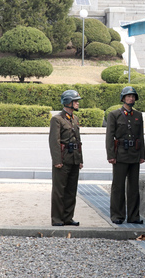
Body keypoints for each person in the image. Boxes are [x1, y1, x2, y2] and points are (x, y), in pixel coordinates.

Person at [105, 86, 145, 224]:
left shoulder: (138, 115)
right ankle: (117, 215)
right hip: (120, 155)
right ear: (123, 98)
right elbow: (109, 137)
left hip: (134, 154)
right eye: (128, 96)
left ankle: (134, 216)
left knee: (134, 187)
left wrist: (142, 155)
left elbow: (141, 136)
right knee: (118, 186)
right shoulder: (114, 115)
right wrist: (111, 155)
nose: (131, 98)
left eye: (133, 96)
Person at [49, 89, 83, 226]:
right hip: (63, 160)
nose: (77, 103)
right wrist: (57, 160)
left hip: (74, 159)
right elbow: (54, 141)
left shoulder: (75, 119)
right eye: (75, 101)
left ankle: (68, 218)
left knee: (71, 190)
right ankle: (57, 219)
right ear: (68, 102)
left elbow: (78, 141)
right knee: (59, 191)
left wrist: (80, 160)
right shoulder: (57, 119)